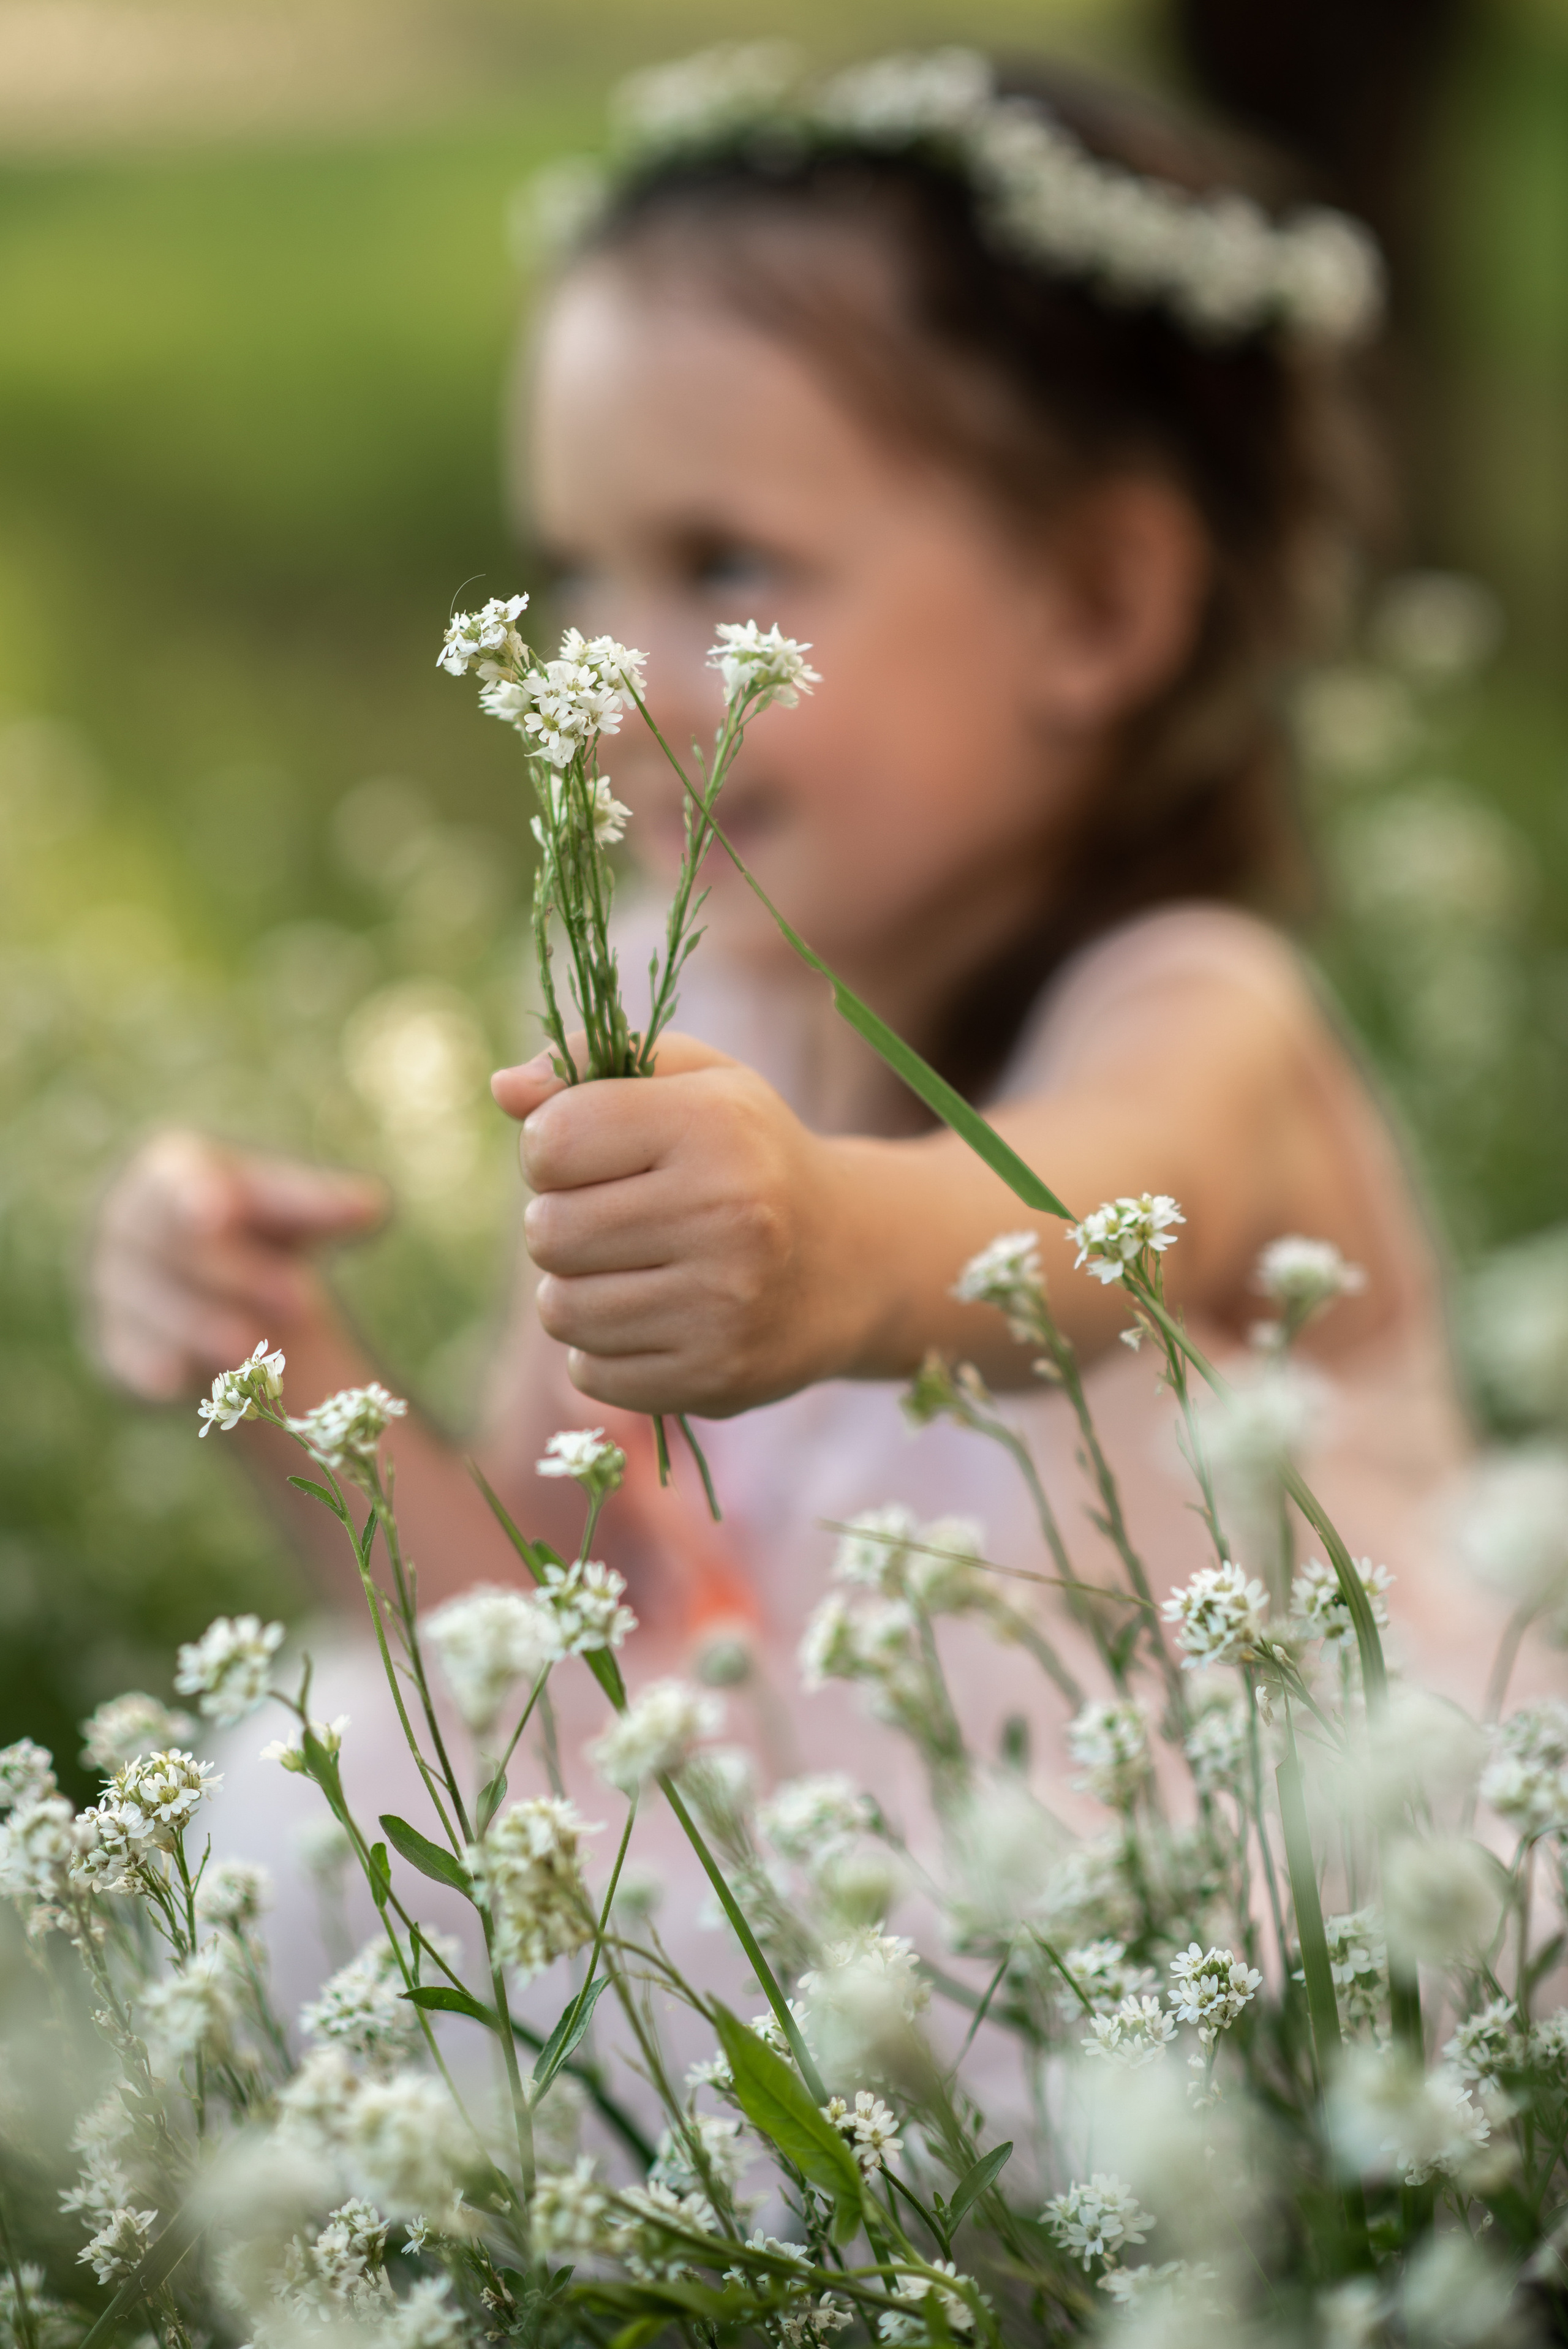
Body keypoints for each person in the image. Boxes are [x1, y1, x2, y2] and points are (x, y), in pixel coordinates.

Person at [88, 51, 1499, 2029]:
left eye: (725, 568)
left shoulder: (1205, 1020)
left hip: (1209, 1958)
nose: (608, 673)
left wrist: (810, 1244)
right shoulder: (668, 1022)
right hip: (815, 1945)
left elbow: (1024, 1231)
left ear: (1099, 601)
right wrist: (282, 1371)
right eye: (578, 570)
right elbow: (554, 1653)